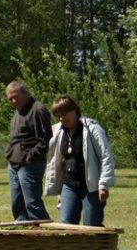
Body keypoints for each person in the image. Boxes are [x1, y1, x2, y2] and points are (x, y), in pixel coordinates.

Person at [45, 95, 115, 226]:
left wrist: (103, 185)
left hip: (91, 186)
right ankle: (71, 247)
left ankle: (102, 246)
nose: (61, 119)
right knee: (65, 225)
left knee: (91, 225)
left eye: (64, 114)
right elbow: (58, 162)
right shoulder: (58, 132)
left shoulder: (92, 128)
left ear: (74, 110)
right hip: (69, 185)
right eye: (58, 116)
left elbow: (106, 156)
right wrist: (59, 192)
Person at [4, 81, 52, 221]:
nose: (13, 101)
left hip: (30, 165)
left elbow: (45, 139)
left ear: (25, 93)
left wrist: (30, 157)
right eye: (10, 98)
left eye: (15, 96)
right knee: (17, 204)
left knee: (32, 204)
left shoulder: (38, 109)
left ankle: (46, 234)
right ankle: (23, 234)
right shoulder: (17, 112)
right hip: (14, 163)